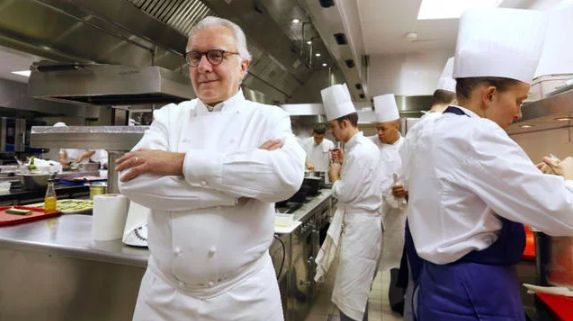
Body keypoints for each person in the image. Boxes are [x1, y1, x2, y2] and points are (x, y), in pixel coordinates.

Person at [116, 16, 305, 321]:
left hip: (243, 298)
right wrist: (235, 190)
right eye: (194, 57)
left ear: (244, 65)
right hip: (163, 297)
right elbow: (129, 180)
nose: (203, 67)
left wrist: (178, 163)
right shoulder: (169, 117)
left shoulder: (268, 118)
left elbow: (285, 177)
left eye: (216, 55)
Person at [400, 8, 573, 321]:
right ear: (490, 95)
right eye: (519, 100)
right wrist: (568, 179)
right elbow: (560, 211)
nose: (519, 112)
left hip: (439, 284)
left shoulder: (432, 129)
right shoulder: (476, 134)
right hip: (475, 290)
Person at [398, 57, 457, 321]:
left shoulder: (416, 130)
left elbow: (406, 183)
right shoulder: (448, 128)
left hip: (417, 225)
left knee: (417, 286)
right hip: (441, 233)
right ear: (456, 99)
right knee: (425, 290)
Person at [320, 83, 383, 321]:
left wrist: (335, 174)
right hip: (363, 226)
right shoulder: (362, 148)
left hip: (361, 230)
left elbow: (345, 193)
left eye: (333, 127)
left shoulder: (360, 152)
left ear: (345, 123)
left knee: (352, 292)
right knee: (355, 291)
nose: (332, 133)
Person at [368, 93, 408, 312]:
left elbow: (418, 179)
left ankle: (397, 300)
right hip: (374, 213)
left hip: (398, 216)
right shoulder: (371, 145)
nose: (379, 133)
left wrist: (407, 190)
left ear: (397, 125)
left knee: (397, 259)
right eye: (377, 129)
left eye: (383, 129)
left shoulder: (409, 147)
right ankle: (362, 297)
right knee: (370, 259)